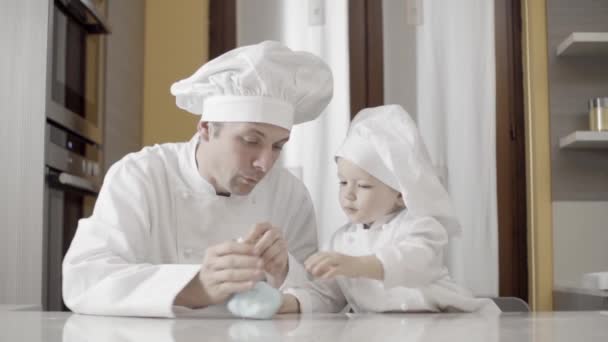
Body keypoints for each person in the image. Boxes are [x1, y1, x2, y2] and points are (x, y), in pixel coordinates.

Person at [62, 41, 333, 317]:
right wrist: (197, 285)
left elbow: (326, 297)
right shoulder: (142, 175)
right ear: (206, 128)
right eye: (251, 140)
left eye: (278, 146)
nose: (265, 163)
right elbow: (84, 280)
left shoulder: (290, 194)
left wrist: (285, 270)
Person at [280, 105, 499, 314]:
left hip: (444, 323)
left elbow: (411, 261)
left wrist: (357, 265)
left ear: (401, 195)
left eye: (363, 185)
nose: (349, 194)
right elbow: (327, 296)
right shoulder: (340, 242)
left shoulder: (422, 227)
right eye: (343, 182)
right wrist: (287, 303)